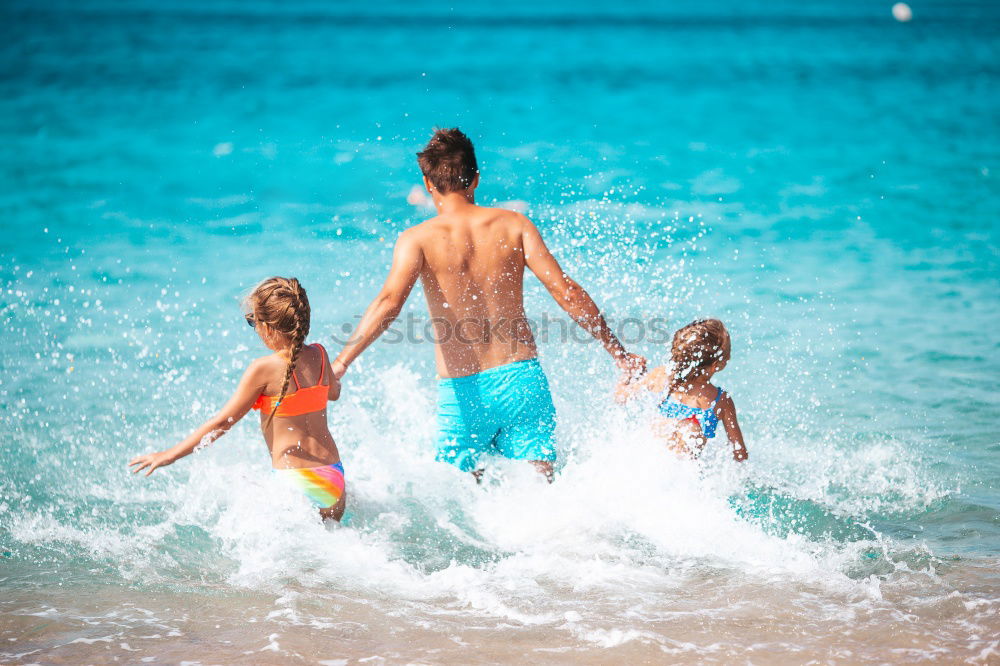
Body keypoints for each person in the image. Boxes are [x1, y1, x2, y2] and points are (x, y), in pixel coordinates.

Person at [331, 128, 645, 482]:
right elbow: (566, 292)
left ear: (428, 184)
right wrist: (620, 355)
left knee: (458, 511)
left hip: (462, 395)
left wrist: (341, 362)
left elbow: (389, 304)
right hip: (521, 381)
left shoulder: (417, 240)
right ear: (476, 178)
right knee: (542, 499)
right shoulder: (515, 224)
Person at [128, 277, 347, 521]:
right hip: (333, 478)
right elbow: (334, 393)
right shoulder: (320, 353)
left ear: (268, 327)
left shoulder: (263, 368)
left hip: (294, 480)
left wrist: (168, 455)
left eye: (252, 321)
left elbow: (222, 423)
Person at [616, 318, 748, 462]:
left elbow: (621, 397)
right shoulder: (721, 400)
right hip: (684, 476)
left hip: (647, 462)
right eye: (728, 351)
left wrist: (628, 374)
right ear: (715, 365)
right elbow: (740, 453)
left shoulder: (661, 376)